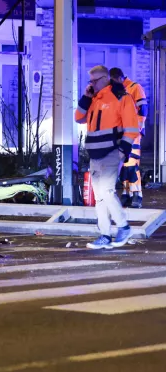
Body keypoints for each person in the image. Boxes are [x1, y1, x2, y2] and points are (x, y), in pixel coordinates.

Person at [75, 65, 140, 249]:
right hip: (96, 154)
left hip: (112, 152)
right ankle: (105, 234)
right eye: (90, 81)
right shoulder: (94, 98)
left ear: (105, 79)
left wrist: (122, 151)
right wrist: (86, 98)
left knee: (106, 191)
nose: (92, 84)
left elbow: (132, 128)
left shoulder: (121, 97)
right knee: (100, 196)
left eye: (94, 81)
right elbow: (78, 117)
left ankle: (123, 226)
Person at [109, 67, 148, 208]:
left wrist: (136, 128)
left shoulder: (134, 88)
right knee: (125, 165)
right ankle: (127, 194)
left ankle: (137, 194)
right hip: (122, 133)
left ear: (119, 78)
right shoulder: (118, 91)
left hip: (132, 133)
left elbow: (143, 109)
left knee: (131, 164)